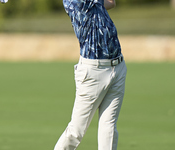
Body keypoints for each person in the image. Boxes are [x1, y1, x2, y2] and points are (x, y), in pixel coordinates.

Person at [54, 0, 127, 149]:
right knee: (75, 132)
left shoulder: (94, 3)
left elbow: (111, 3)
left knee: (109, 128)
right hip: (93, 72)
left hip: (117, 67)